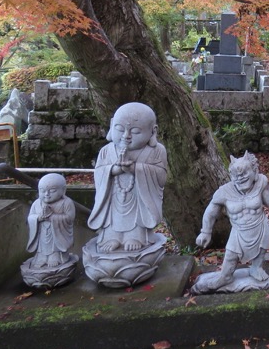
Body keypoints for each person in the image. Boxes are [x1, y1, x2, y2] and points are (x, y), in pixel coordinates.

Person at [193, 151, 269, 293]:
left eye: (245, 174)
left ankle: (256, 268)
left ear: (255, 171)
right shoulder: (224, 192)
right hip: (238, 231)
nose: (240, 178)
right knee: (231, 256)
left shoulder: (260, 183)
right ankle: (225, 277)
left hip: (260, 227)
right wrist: (205, 232)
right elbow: (211, 212)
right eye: (236, 175)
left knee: (260, 254)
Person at [87, 102, 167, 253]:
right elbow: (99, 173)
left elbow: (161, 178)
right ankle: (111, 237)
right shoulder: (107, 151)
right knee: (112, 215)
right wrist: (114, 170)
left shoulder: (156, 151)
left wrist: (135, 169)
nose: (126, 136)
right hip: (113, 199)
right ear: (111, 125)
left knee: (137, 217)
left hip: (138, 200)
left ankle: (136, 237)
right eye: (119, 129)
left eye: (135, 131)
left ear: (153, 131)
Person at [27, 173, 75, 268]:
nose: (46, 194)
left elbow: (69, 218)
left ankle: (56, 256)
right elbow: (30, 217)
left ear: (63, 190)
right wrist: (38, 218)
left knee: (54, 245)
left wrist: (52, 216)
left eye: (52, 191)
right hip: (42, 233)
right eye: (42, 191)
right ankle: (42, 256)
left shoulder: (66, 203)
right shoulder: (37, 203)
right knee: (42, 245)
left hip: (57, 236)